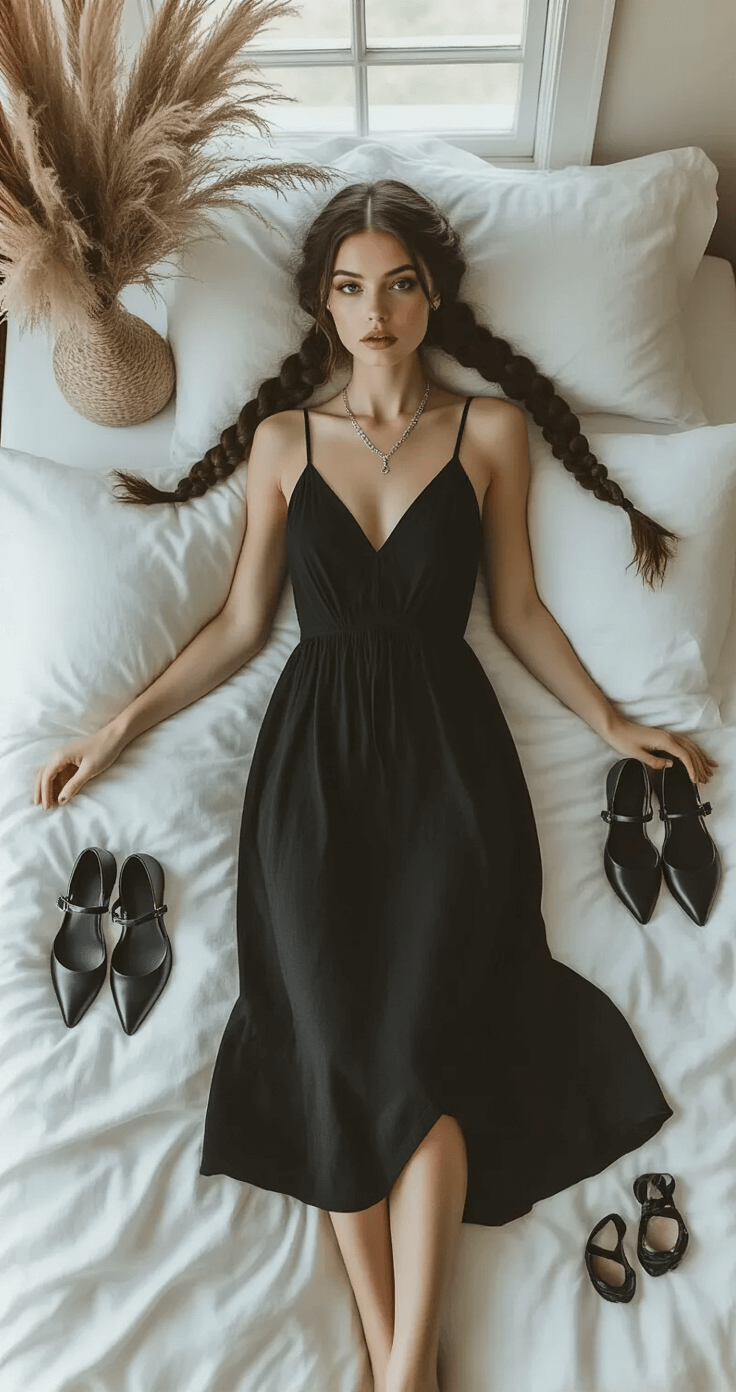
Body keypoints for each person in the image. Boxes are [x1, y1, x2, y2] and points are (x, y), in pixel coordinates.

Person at [35, 181, 717, 1392]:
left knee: (419, 1040)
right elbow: (242, 624)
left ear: (432, 293)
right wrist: (119, 723)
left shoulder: (489, 431)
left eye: (398, 284)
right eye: (350, 288)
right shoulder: (284, 442)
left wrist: (611, 718)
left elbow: (518, 611)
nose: (376, 311)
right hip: (309, 773)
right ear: (322, 304)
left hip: (452, 764)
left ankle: (401, 1370)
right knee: (325, 1033)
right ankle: (409, 1369)